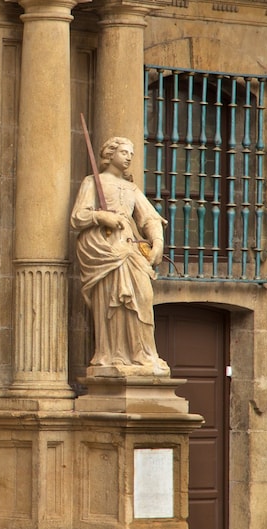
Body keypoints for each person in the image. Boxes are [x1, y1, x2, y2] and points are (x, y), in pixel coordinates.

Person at [70, 136, 169, 374]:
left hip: (129, 249)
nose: (128, 158)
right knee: (111, 302)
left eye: (131, 154)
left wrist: (157, 241)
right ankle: (113, 355)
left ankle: (144, 355)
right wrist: (100, 217)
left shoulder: (131, 188)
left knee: (143, 299)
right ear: (110, 154)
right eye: (124, 152)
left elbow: (149, 217)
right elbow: (77, 217)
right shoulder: (93, 182)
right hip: (105, 249)